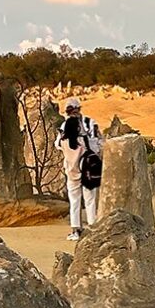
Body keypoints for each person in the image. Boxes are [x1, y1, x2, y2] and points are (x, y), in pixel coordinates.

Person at [57, 98, 103, 241]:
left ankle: (76, 229)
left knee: (75, 200)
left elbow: (57, 145)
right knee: (90, 200)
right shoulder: (89, 124)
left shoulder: (64, 129)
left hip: (72, 170)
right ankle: (92, 228)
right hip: (88, 168)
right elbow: (98, 145)